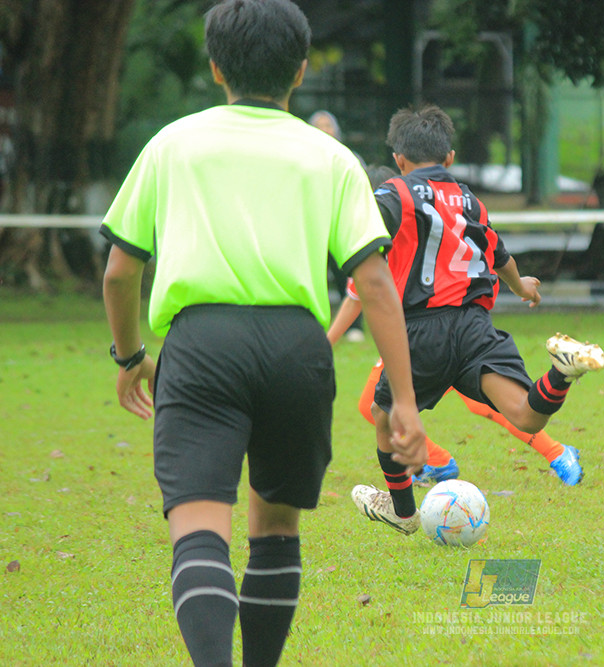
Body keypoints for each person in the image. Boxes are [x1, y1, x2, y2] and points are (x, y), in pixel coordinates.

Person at [101, 2, 423, 665]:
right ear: (301, 71)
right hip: (296, 349)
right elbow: (377, 285)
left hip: (199, 346)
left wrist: (132, 354)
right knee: (275, 525)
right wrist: (408, 403)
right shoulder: (331, 158)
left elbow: (118, 272)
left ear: (215, 67)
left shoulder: (173, 143)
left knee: (198, 528)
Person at [350, 104, 604, 535]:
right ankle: (561, 374)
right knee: (525, 416)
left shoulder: (393, 193)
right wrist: (521, 286)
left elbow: (364, 226)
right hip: (474, 326)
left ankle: (403, 512)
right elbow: (496, 249)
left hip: (420, 330)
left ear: (398, 160)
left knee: (381, 412)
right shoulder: (469, 199)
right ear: (449, 157)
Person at [328, 280, 585, 486]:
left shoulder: (405, 227)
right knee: (373, 406)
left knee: (485, 404)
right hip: (414, 334)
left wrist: (515, 282)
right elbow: (356, 295)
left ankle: (558, 453)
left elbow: (486, 245)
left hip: (440, 329)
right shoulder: (382, 235)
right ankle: (437, 462)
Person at [309, 109, 366, 342]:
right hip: (313, 229)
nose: (324, 130)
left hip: (341, 228)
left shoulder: (348, 157)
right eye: (318, 125)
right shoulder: (302, 157)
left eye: (328, 125)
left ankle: (354, 328)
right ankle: (312, 326)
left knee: (348, 277)